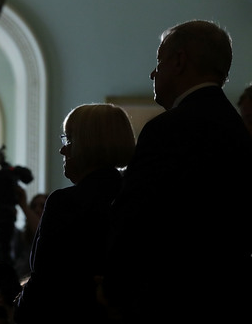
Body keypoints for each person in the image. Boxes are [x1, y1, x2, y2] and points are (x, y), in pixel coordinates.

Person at [104, 20, 252, 323]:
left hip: (166, 301)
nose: (153, 72)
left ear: (179, 61)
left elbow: (133, 216)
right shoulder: (238, 130)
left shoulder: (167, 129)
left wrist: (112, 292)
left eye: (159, 61)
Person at [4, 103, 135, 324]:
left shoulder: (66, 202)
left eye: (68, 140)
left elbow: (44, 283)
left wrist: (13, 312)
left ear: (87, 144)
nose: (62, 150)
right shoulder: (135, 196)